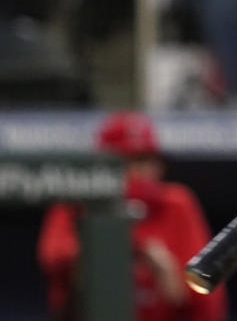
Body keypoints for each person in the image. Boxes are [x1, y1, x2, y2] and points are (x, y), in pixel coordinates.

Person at [37, 111, 227, 320]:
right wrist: (133, 248)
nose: (140, 173)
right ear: (101, 166)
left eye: (147, 161)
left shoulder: (176, 203)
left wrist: (175, 282)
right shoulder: (78, 200)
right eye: (127, 163)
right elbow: (53, 259)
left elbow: (208, 297)